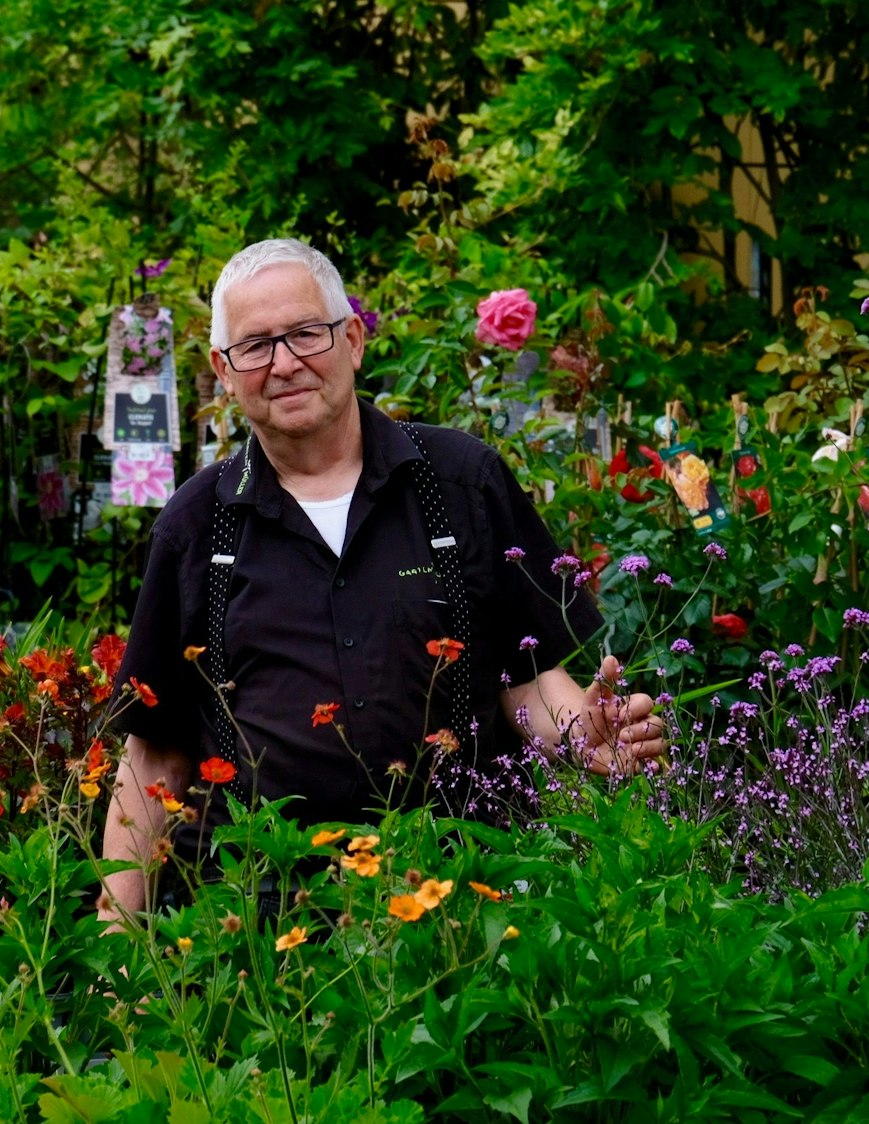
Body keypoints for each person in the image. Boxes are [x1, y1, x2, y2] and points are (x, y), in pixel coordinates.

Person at [100, 239, 668, 921]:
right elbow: (153, 756)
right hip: (264, 922)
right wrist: (116, 951)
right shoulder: (197, 528)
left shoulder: (463, 483)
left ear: (355, 341)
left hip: (462, 896)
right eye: (256, 346)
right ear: (224, 371)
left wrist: (584, 734)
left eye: (307, 333)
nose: (285, 364)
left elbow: (531, 677)